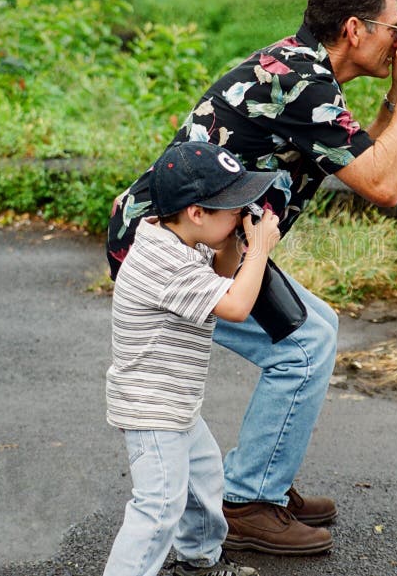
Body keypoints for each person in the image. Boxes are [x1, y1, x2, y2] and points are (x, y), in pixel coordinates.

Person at [106, 0, 397, 555]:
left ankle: (260, 483)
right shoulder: (302, 84)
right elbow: (385, 186)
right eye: (394, 30)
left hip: (206, 238)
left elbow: (369, 152)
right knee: (303, 343)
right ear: (355, 29)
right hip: (173, 248)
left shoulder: (304, 69)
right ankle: (247, 501)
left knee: (316, 331)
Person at [104, 140, 282, 576]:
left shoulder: (178, 236)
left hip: (175, 399)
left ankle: (200, 562)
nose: (243, 212)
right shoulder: (163, 259)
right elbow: (236, 305)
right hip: (153, 406)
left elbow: (218, 276)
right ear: (197, 213)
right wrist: (259, 250)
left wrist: (235, 244)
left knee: (203, 482)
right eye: (233, 207)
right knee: (158, 507)